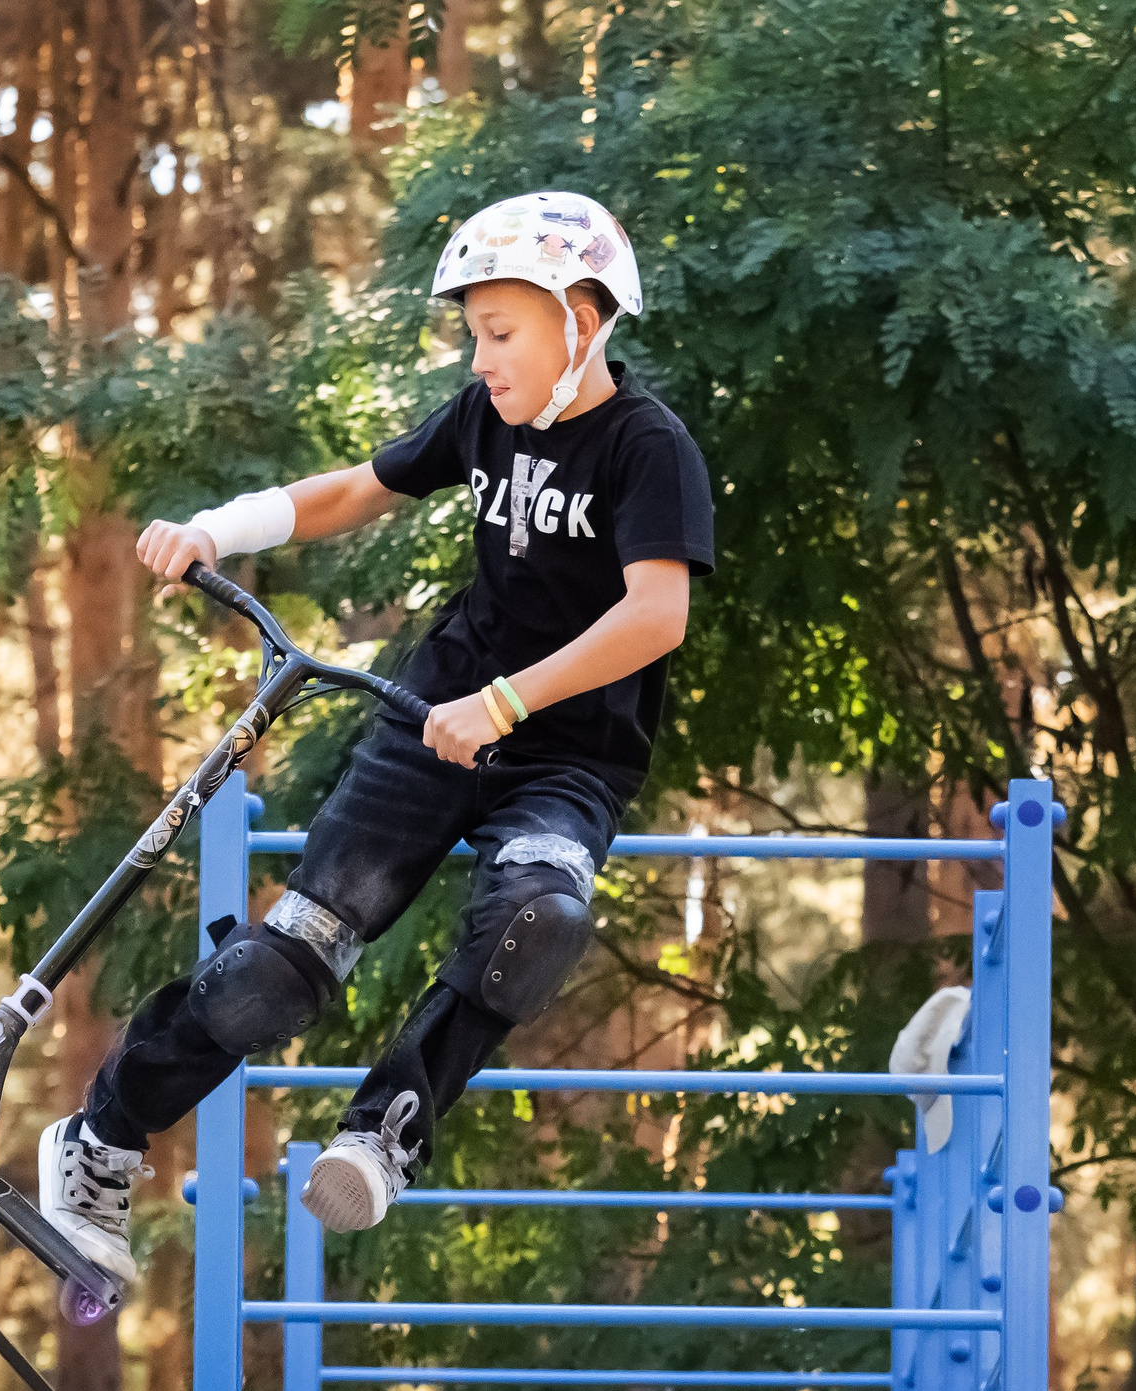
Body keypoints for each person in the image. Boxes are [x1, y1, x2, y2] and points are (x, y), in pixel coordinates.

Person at [40, 190, 717, 1284]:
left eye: (501, 334)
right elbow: (357, 488)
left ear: (581, 323)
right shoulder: (484, 417)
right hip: (429, 714)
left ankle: (383, 1129)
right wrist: (221, 526)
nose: (483, 358)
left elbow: (656, 614)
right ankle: (100, 1138)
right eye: (475, 337)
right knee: (283, 968)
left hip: (567, 753)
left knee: (534, 917)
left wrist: (505, 706)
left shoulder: (649, 450)